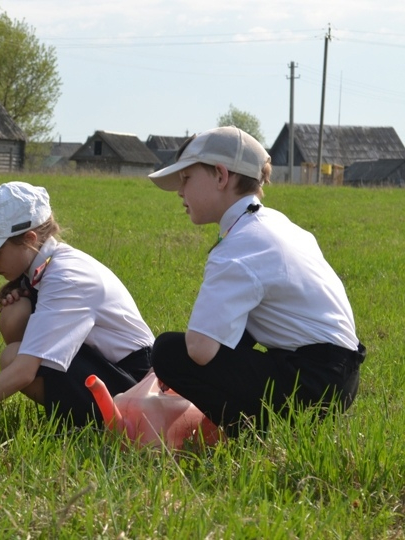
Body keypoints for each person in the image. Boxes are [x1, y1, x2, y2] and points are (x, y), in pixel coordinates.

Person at [147, 126, 365, 437]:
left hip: (311, 384)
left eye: (186, 179)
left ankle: (249, 434)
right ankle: (265, 429)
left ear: (221, 176)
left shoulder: (238, 246)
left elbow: (199, 350)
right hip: (339, 379)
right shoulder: (275, 224)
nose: (180, 192)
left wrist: (181, 372)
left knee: (168, 351)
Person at [0, 181, 155, 440]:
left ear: (30, 239)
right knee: (15, 316)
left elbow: (24, 371)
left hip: (137, 388)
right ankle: (77, 417)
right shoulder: (43, 265)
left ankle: (100, 426)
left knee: (14, 358)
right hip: (114, 371)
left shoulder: (67, 276)